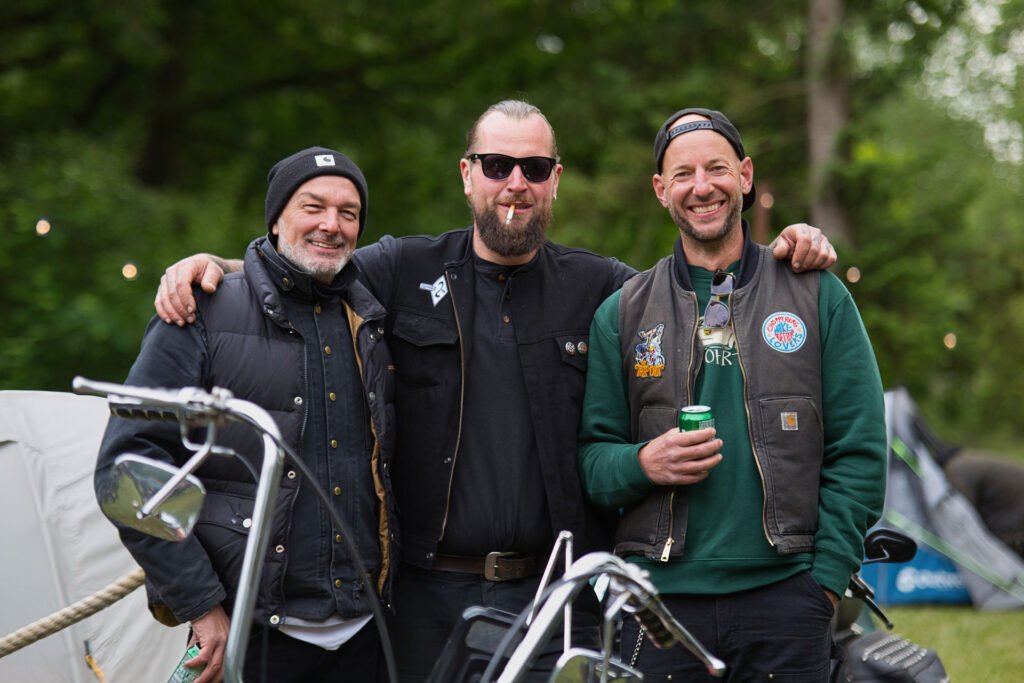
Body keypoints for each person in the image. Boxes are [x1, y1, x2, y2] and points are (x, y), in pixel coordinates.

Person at [153, 100, 837, 681]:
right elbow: (310, 264)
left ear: (555, 180)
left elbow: (700, 284)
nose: (516, 183)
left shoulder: (605, 289)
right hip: (420, 601)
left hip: (555, 601)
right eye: (497, 165)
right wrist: (211, 266)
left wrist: (787, 252)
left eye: (534, 168)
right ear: (467, 174)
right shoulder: (401, 268)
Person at [576, 108, 887, 681]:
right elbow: (593, 461)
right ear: (661, 190)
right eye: (683, 174)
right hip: (659, 606)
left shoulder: (817, 295)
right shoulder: (622, 313)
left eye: (716, 169)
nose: (702, 187)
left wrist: (824, 581)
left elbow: (860, 450)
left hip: (787, 597)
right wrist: (643, 463)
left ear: (744, 175)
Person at [95, 147, 397, 683]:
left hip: (365, 637)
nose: (331, 224)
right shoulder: (201, 309)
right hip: (246, 633)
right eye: (313, 207)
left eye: (348, 213)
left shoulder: (372, 320)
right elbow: (126, 470)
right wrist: (199, 603)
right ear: (276, 218)